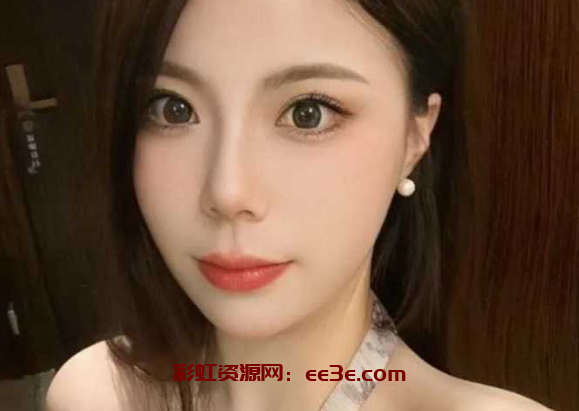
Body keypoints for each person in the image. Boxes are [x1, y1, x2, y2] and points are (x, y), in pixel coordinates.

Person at [46, 0, 554, 410]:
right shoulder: (92, 395)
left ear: (415, 137)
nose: (228, 193)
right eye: (173, 108)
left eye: (308, 113)